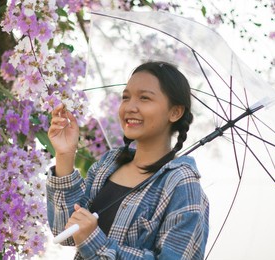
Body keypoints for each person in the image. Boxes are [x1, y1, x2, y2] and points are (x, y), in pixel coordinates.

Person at [46, 61, 209, 259]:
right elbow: (66, 233)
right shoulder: (109, 163)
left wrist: (95, 242)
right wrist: (65, 154)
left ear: (175, 112)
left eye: (145, 98)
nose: (130, 107)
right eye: (126, 97)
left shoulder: (182, 185)